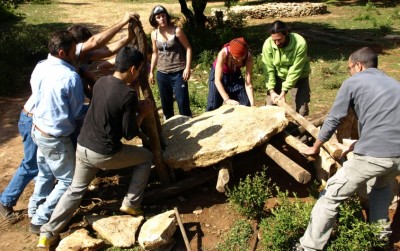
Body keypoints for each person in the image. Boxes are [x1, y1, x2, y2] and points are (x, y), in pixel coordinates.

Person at [0, 13, 138, 222]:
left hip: (46, 120)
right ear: (73, 48)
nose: (86, 52)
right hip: (36, 118)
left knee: (49, 166)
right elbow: (96, 43)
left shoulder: (66, 60)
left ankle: (40, 206)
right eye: (79, 49)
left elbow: (106, 50)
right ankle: (8, 202)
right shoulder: (71, 62)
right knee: (33, 165)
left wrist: (128, 39)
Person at [37, 46, 154, 248]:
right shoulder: (128, 94)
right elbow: (128, 133)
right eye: (140, 68)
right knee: (145, 157)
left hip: (83, 147)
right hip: (103, 153)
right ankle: (131, 204)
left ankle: (47, 233)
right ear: (134, 69)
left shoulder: (101, 82)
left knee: (74, 190)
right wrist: (142, 113)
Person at [294, 47, 400, 251]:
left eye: (349, 68)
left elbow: (335, 117)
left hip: (374, 156)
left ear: (358, 66)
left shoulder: (354, 81)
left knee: (330, 195)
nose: (349, 72)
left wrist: (315, 146)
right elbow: (386, 123)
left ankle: (308, 248)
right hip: (397, 157)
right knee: (380, 189)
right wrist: (358, 144)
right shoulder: (394, 84)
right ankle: (379, 242)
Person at [28, 30, 86, 234]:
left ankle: (33, 208)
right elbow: (78, 112)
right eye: (73, 51)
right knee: (69, 180)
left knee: (45, 173)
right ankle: (41, 218)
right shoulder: (70, 77)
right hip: (55, 137)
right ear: (62, 52)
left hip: (38, 129)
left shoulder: (40, 67)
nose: (75, 55)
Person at [148, 5, 192, 120]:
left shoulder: (176, 31)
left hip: (178, 72)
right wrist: (151, 71)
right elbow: (154, 53)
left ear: (166, 16)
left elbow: (188, 48)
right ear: (154, 19)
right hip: (162, 73)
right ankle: (170, 130)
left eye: (163, 16)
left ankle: (188, 123)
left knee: (182, 102)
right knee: (166, 104)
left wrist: (187, 68)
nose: (161, 18)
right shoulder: (154, 34)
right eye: (158, 17)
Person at [262, 20, 311, 116]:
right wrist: (271, 90)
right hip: (278, 76)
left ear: (286, 33)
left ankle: (299, 130)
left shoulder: (300, 43)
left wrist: (284, 91)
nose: (276, 43)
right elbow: (268, 69)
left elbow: (295, 70)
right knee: (269, 107)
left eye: (279, 39)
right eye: (274, 40)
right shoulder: (268, 44)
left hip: (299, 77)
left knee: (301, 111)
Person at [0, 96, 37, 221]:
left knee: (39, 161)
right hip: (33, 120)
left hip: (30, 118)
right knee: (31, 164)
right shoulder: (70, 78)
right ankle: (5, 201)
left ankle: (41, 195)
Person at [206, 37, 254, 111]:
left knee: (246, 104)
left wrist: (252, 104)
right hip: (219, 76)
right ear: (231, 54)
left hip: (235, 75)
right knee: (213, 106)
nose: (239, 60)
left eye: (242, 57)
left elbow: (248, 83)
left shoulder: (249, 57)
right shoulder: (223, 54)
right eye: (236, 57)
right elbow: (217, 80)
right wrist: (227, 99)